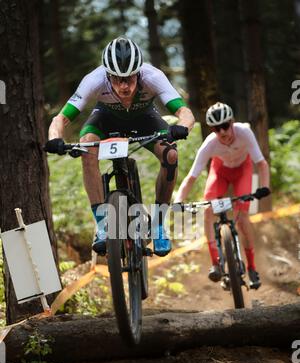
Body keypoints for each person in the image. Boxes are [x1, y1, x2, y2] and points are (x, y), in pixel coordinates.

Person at [45, 37, 195, 257]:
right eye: (117, 79)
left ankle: (159, 224)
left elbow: (185, 112)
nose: (124, 86)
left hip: (144, 119)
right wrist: (55, 138)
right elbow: (61, 118)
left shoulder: (153, 76)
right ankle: (103, 224)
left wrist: (182, 127)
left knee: (171, 154)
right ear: (107, 75)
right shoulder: (93, 80)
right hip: (105, 119)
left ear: (139, 73)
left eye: (130, 78)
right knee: (87, 148)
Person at [174, 102, 270, 289]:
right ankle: (216, 263)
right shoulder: (210, 143)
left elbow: (262, 163)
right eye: (217, 129)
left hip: (243, 170)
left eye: (225, 126)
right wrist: (178, 200)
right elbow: (191, 177)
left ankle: (252, 267)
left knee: (242, 220)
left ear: (232, 122)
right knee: (208, 211)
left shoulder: (244, 132)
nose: (223, 132)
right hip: (220, 171)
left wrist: (264, 187)